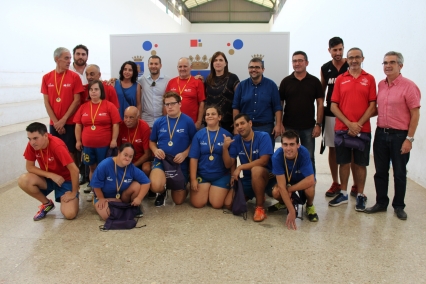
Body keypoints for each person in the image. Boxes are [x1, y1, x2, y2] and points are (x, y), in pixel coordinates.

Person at [365, 51, 421, 220]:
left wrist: (409, 139)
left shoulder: (409, 86)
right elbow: (377, 109)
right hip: (381, 134)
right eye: (385, 62)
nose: (388, 65)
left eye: (392, 62)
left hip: (399, 136)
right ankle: (381, 203)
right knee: (380, 172)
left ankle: (398, 206)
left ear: (400, 65)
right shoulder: (381, 85)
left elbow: (415, 114)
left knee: (399, 172)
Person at [328, 47, 377, 212]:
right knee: (344, 162)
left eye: (357, 57)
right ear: (347, 60)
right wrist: (349, 124)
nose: (354, 60)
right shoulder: (340, 79)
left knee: (360, 163)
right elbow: (333, 106)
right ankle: (342, 193)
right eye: (351, 58)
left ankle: (361, 195)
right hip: (343, 129)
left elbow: (372, 106)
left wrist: (358, 125)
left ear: (363, 58)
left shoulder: (369, 79)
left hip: (363, 130)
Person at [320, 37, 359, 199]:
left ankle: (355, 184)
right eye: (334, 50)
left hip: (349, 115)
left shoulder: (350, 66)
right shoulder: (325, 68)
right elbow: (321, 94)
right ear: (329, 50)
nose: (338, 52)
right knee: (333, 148)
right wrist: (319, 117)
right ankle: (336, 182)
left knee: (351, 149)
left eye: (340, 49)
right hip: (330, 114)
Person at [18, 122, 79, 221]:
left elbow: (75, 170)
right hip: (49, 179)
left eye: (35, 138)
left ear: (45, 135)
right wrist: (51, 175)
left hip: (65, 180)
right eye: (29, 139)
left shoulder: (57, 145)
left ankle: (75, 196)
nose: (32, 142)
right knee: (23, 180)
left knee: (70, 214)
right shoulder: (32, 146)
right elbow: (29, 167)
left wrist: (73, 192)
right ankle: (47, 204)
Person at [222, 113, 275, 222]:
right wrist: (224, 149)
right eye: (237, 125)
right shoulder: (236, 140)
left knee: (256, 170)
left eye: (242, 123)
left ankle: (260, 207)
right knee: (228, 204)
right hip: (248, 178)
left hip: (267, 175)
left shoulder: (263, 136)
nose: (240, 127)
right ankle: (258, 193)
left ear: (250, 123)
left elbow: (264, 161)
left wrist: (240, 167)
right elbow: (228, 164)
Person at [149, 91, 197, 206]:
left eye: (172, 103)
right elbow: (152, 141)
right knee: (155, 185)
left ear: (180, 104)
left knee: (178, 201)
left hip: (179, 161)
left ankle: (184, 184)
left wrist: (185, 154)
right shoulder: (159, 122)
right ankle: (162, 191)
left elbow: (194, 142)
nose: (169, 107)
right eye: (167, 104)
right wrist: (155, 150)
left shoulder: (188, 121)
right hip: (162, 159)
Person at [279, 51, 324, 173]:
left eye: (300, 60)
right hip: (289, 127)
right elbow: (280, 104)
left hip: (308, 128)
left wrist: (318, 124)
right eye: (294, 61)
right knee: (288, 157)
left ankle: (309, 187)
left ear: (306, 63)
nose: (297, 63)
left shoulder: (314, 82)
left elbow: (320, 104)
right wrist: (279, 123)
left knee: (308, 157)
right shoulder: (286, 81)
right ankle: (290, 185)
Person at [74, 80, 121, 192]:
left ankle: (105, 191)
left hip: (104, 145)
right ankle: (95, 190)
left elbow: (116, 124)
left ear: (101, 91)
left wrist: (114, 139)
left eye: (96, 89)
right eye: (91, 89)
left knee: (104, 168)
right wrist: (78, 141)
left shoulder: (109, 106)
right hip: (88, 146)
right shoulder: (83, 107)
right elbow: (78, 125)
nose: (93, 92)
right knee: (92, 168)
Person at [41, 47, 84, 160]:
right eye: (66, 58)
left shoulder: (74, 77)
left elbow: (77, 100)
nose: (69, 61)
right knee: (55, 152)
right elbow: (46, 101)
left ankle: (73, 177)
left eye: (70, 58)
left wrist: (63, 120)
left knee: (70, 153)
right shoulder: (46, 77)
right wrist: (56, 122)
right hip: (54, 123)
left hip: (69, 122)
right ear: (56, 59)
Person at [90, 143, 151, 220]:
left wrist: (139, 198)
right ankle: (119, 206)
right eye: (125, 155)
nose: (127, 158)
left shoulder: (131, 167)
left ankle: (133, 206)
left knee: (137, 186)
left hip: (122, 197)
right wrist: (101, 198)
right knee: (107, 216)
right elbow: (96, 184)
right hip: (104, 197)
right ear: (119, 153)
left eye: (130, 156)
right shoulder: (105, 165)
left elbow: (146, 182)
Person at [189, 105, 233, 209]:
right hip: (203, 174)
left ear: (219, 117)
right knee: (198, 204)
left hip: (221, 175)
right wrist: (193, 179)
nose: (210, 116)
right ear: (204, 118)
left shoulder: (227, 135)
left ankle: (217, 189)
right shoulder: (199, 135)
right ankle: (207, 188)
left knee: (216, 205)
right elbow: (193, 159)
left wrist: (225, 148)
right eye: (207, 114)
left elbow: (230, 163)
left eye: (213, 114)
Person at [270, 130, 318, 226]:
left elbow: (310, 180)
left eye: (292, 144)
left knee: (310, 188)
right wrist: (292, 211)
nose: (288, 148)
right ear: (281, 145)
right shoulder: (277, 157)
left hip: (302, 180)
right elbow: (282, 186)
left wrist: (290, 189)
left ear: (298, 145)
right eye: (285, 144)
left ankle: (309, 205)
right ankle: (283, 203)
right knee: (276, 192)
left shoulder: (304, 153)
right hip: (287, 180)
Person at [233, 57, 282, 147]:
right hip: (246, 127)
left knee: (267, 157)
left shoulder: (271, 85)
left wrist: (278, 124)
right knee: (248, 155)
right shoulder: (241, 86)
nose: (254, 70)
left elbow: (277, 107)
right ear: (248, 69)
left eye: (257, 67)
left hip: (266, 127)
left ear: (263, 69)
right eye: (251, 67)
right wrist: (236, 127)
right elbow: (236, 107)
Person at [204, 51, 240, 133]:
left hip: (228, 123)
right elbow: (205, 100)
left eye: (221, 60)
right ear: (212, 64)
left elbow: (238, 100)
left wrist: (236, 122)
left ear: (225, 63)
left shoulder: (233, 78)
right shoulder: (208, 79)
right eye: (215, 60)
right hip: (211, 122)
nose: (218, 62)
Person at [165, 57, 205, 129]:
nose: (182, 69)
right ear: (177, 68)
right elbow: (165, 102)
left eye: (185, 66)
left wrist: (199, 122)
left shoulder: (198, 82)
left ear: (190, 67)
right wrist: (166, 120)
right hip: (173, 123)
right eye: (180, 66)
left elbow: (201, 103)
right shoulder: (171, 82)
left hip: (191, 123)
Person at [118, 106, 152, 176]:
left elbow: (147, 154)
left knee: (146, 168)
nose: (127, 120)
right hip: (125, 158)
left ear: (138, 117)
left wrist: (132, 166)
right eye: (125, 117)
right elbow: (118, 149)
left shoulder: (144, 127)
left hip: (141, 160)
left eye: (131, 117)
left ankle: (146, 184)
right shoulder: (121, 126)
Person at [138, 55, 170, 127]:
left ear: (160, 65)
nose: (153, 66)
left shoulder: (168, 80)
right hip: (146, 121)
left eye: (156, 64)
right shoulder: (142, 79)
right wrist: (114, 79)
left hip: (162, 120)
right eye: (151, 64)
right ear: (148, 65)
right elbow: (128, 81)